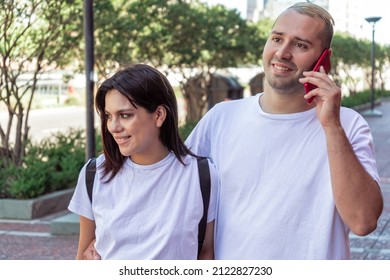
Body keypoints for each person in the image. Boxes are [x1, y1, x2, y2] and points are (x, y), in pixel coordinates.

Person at [184, 2, 383, 259]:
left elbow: (363, 221)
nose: (283, 52)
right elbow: (177, 194)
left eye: (301, 45)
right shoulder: (220, 119)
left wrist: (331, 126)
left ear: (324, 60)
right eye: (277, 39)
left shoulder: (348, 125)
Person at [68, 64, 218, 260]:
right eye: (108, 116)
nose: (113, 127)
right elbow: (83, 257)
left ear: (158, 115)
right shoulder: (95, 174)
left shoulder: (202, 176)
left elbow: (206, 253)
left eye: (125, 115)